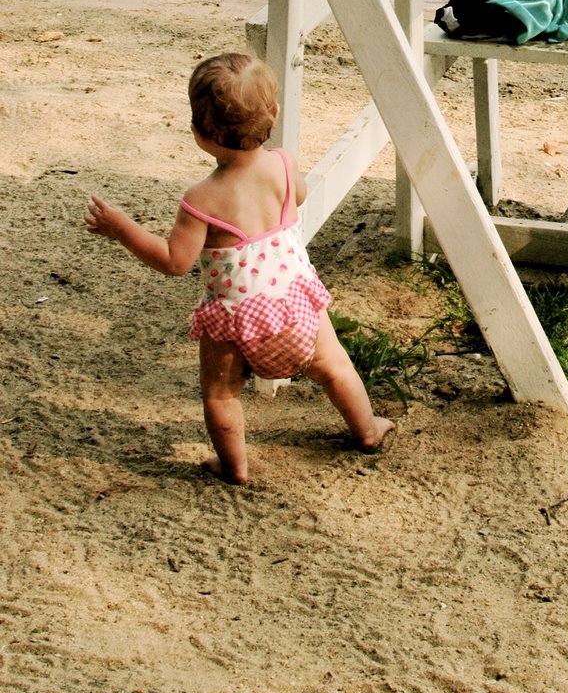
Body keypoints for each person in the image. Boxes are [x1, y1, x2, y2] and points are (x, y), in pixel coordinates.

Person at [85, 52, 393, 483]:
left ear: (200, 134)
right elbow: (299, 196)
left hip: (235, 320)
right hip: (295, 303)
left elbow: (174, 261)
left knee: (220, 395)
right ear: (274, 114)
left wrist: (123, 229)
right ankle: (367, 430)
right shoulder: (282, 163)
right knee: (336, 369)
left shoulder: (201, 200)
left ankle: (234, 466)